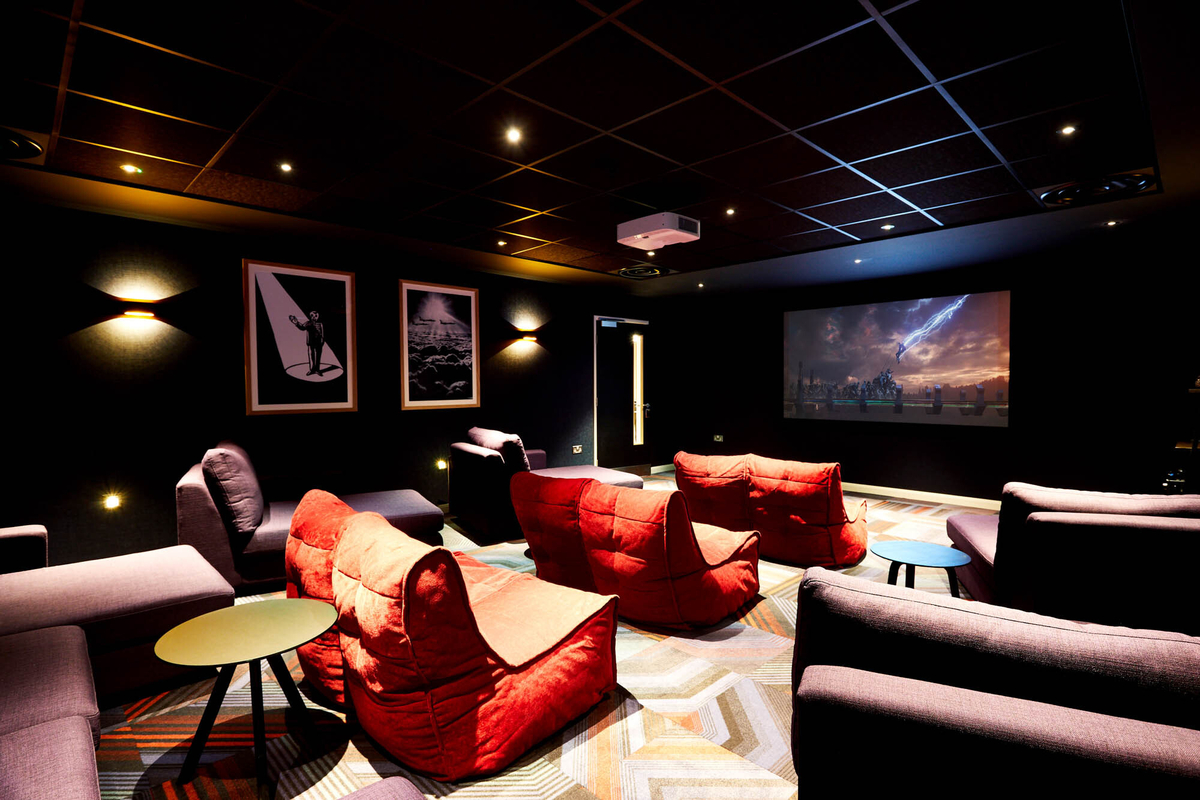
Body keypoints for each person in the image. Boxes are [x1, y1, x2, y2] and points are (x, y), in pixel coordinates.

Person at [288, 310, 325, 375]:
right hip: (310, 342)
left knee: (318, 356)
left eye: (316, 316)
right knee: (311, 355)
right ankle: (312, 370)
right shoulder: (308, 323)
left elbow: (322, 334)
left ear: (318, 316)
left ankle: (317, 370)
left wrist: (322, 341)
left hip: (318, 343)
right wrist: (296, 323)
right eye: (312, 315)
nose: (314, 317)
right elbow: (302, 327)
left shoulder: (320, 324)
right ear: (310, 316)